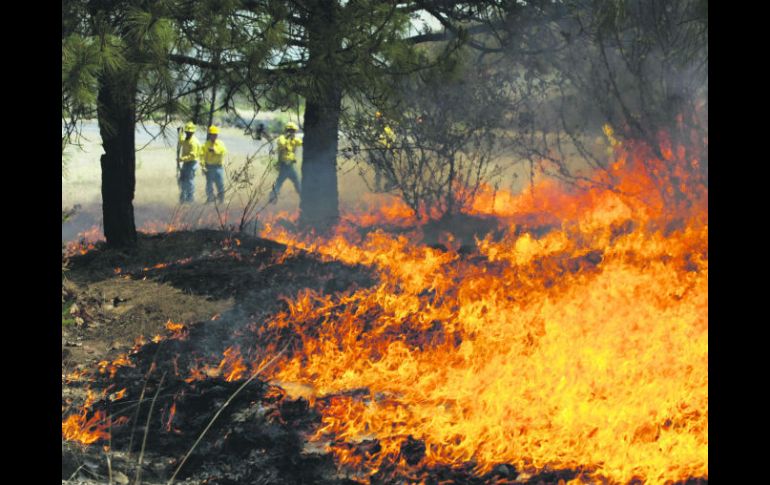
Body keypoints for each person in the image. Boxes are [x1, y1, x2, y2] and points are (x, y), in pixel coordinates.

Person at [269, 122, 303, 204]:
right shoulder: (282, 138)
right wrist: (288, 138)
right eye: (292, 131)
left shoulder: (294, 140)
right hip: (284, 165)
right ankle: (272, 197)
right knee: (280, 182)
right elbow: (282, 144)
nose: (294, 133)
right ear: (288, 131)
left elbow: (301, 142)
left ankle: (304, 197)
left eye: (294, 131)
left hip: (290, 165)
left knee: (296, 182)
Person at [201, 125, 227, 203]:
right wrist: (203, 166)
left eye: (215, 134)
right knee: (209, 185)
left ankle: (221, 200)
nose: (214, 136)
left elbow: (223, 152)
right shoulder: (205, 145)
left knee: (220, 184)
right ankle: (210, 199)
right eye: (212, 134)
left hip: (218, 167)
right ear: (210, 135)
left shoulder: (220, 144)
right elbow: (202, 156)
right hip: (209, 167)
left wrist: (214, 150)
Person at [373, 111, 397, 191]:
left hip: (386, 152)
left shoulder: (387, 129)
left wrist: (391, 151)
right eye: (377, 118)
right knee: (378, 169)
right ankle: (377, 187)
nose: (378, 120)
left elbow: (393, 139)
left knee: (387, 168)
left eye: (380, 118)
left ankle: (392, 183)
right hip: (378, 152)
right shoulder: (375, 130)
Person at [177, 122, 200, 203]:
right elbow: (181, 141)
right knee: (183, 179)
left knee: (189, 180)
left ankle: (190, 199)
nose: (188, 133)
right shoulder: (186, 139)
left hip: (192, 163)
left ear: (192, 132)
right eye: (186, 132)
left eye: (189, 132)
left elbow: (192, 156)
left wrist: (181, 159)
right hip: (186, 163)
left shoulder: (194, 142)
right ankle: (183, 197)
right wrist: (180, 133)